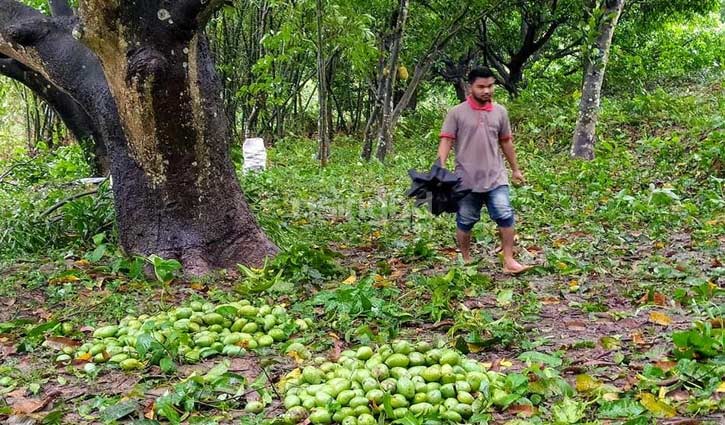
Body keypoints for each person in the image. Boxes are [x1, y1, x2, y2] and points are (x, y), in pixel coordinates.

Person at [438, 67, 530, 273]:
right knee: (465, 220)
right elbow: (446, 140)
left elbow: (506, 142)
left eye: (490, 86)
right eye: (481, 87)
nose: (486, 90)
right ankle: (466, 259)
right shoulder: (456, 113)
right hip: (466, 179)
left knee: (505, 215)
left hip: (496, 177)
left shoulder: (500, 112)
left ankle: (509, 260)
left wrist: (516, 169)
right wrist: (440, 165)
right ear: (470, 87)